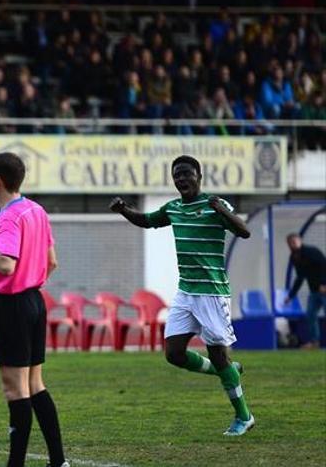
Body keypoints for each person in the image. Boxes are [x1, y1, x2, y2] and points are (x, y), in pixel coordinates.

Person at [110, 155, 254, 437]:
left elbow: (244, 231)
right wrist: (124, 210)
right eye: (177, 175)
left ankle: (244, 416)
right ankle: (225, 370)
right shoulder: (174, 208)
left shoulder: (215, 204)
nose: (181, 179)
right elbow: (148, 221)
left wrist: (222, 211)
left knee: (216, 352)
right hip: (186, 291)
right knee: (174, 354)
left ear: (199, 176)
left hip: (212, 293)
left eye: (187, 174)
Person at [0, 152, 66, 467]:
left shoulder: (9, 217)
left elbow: (8, 265)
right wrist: (30, 282)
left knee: (14, 389)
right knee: (35, 384)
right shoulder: (36, 211)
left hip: (11, 305)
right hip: (34, 302)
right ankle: (58, 461)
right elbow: (51, 261)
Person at [285, 233, 326, 349]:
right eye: (289, 243)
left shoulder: (311, 252)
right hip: (314, 291)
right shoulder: (294, 257)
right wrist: (291, 295)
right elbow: (300, 277)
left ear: (300, 241)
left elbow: (324, 266)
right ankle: (314, 342)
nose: (292, 244)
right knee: (310, 315)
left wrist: (324, 283)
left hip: (324, 289)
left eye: (294, 241)